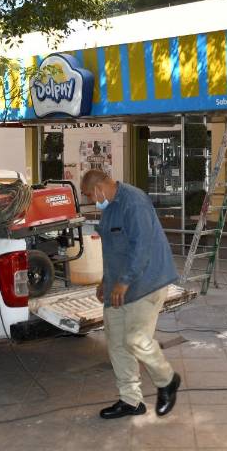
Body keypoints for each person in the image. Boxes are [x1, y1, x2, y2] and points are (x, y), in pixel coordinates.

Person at [80, 169, 181, 420]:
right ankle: (131, 401)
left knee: (136, 339)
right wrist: (106, 280)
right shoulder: (110, 207)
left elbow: (142, 247)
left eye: (91, 195)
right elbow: (113, 247)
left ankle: (168, 380)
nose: (93, 200)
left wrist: (123, 282)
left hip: (146, 282)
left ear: (100, 188)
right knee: (116, 342)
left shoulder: (134, 202)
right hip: (118, 286)